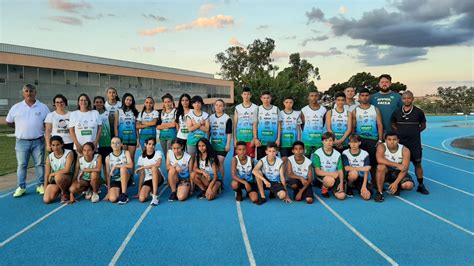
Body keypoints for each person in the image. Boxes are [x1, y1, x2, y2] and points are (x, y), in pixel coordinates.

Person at [7, 84, 50, 197]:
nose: (29, 93)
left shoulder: (43, 107)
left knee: (39, 164)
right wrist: (20, 127)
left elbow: (47, 124)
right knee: (22, 165)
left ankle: (40, 185)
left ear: (35, 93)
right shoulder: (16, 107)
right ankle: (21, 187)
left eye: (31, 91)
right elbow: (8, 121)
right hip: (22, 142)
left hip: (38, 140)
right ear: (23, 93)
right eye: (26, 91)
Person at [391, 90, 429, 194]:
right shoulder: (397, 112)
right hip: (401, 144)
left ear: (412, 99)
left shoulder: (419, 112)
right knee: (399, 164)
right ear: (402, 99)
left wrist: (415, 132)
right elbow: (393, 123)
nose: (406, 100)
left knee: (417, 164)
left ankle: (421, 185)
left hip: (414, 144)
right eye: (404, 98)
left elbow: (423, 125)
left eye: (409, 98)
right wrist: (398, 132)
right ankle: (398, 184)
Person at [352, 88, 383, 181]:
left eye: (366, 95)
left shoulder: (375, 109)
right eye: (362, 95)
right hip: (360, 139)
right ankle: (358, 182)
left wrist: (380, 139)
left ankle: (375, 182)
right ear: (359, 97)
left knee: (373, 163)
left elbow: (379, 124)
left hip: (372, 139)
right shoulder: (355, 110)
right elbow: (353, 127)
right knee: (360, 161)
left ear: (369, 96)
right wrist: (354, 140)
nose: (364, 97)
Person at [374, 132, 415, 202]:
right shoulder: (381, 146)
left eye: (394, 139)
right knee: (380, 167)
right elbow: (379, 159)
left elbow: (404, 169)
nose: (392, 142)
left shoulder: (405, 150)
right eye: (389, 139)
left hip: (398, 172)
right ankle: (379, 192)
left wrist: (396, 183)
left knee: (409, 185)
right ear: (385, 140)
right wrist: (397, 165)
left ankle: (397, 185)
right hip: (387, 171)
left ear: (398, 140)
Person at [312, 132, 346, 200]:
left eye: (330, 140)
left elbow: (340, 170)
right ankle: (325, 188)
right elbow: (318, 172)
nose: (328, 142)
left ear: (333, 142)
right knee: (330, 180)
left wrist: (341, 183)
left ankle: (333, 188)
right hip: (323, 176)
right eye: (326, 140)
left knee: (341, 196)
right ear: (322, 142)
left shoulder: (337, 154)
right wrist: (332, 174)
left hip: (335, 176)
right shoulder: (317, 153)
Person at [43, 136, 74, 204]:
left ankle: (65, 192)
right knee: (47, 200)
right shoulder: (49, 157)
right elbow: (47, 174)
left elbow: (66, 170)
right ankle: (59, 190)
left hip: (68, 178)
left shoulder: (69, 153)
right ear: (50, 146)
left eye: (58, 145)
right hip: (56, 181)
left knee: (58, 176)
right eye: (53, 145)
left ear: (62, 144)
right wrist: (45, 187)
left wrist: (53, 174)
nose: (55, 147)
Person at [342, 134, 372, 200]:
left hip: (362, 177)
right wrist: (362, 168)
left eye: (355, 142)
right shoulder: (345, 153)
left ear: (359, 143)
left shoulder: (365, 153)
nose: (353, 144)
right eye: (351, 142)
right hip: (351, 176)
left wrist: (364, 186)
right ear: (349, 143)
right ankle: (349, 186)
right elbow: (347, 168)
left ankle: (360, 186)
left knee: (367, 197)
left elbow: (366, 171)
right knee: (354, 173)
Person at [136, 137, 164, 206]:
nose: (151, 146)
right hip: (148, 179)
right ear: (145, 144)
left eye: (153, 144)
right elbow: (142, 175)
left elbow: (158, 164)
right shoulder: (141, 158)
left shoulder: (158, 152)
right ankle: (150, 191)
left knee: (154, 168)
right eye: (149, 144)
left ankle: (155, 196)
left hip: (158, 177)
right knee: (141, 199)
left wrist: (143, 167)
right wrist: (139, 191)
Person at [253, 91, 281, 160]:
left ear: (270, 98)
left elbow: (279, 125)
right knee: (261, 162)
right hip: (261, 142)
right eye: (264, 98)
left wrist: (278, 139)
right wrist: (255, 138)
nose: (266, 100)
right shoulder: (258, 109)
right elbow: (254, 125)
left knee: (273, 161)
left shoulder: (276, 109)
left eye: (268, 98)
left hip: (273, 142)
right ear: (261, 99)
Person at [105, 137, 133, 204]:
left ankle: (124, 194)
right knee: (113, 199)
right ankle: (119, 191)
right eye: (113, 143)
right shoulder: (108, 157)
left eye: (117, 143)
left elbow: (130, 165)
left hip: (126, 178)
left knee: (123, 168)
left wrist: (116, 166)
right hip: (116, 180)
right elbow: (108, 175)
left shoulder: (126, 153)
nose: (115, 144)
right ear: (111, 145)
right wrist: (108, 192)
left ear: (121, 144)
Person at [209, 99, 232, 181]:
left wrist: (228, 144)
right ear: (214, 106)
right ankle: (214, 179)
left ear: (223, 107)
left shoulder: (227, 118)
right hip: (213, 145)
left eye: (220, 105)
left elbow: (229, 133)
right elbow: (209, 132)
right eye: (216, 105)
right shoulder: (211, 118)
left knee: (220, 162)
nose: (218, 107)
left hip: (223, 145)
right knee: (214, 163)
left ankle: (220, 182)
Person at [233, 87, 258, 158]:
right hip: (240, 139)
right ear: (242, 95)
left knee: (251, 160)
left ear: (250, 95)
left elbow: (256, 124)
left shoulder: (255, 107)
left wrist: (254, 138)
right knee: (238, 159)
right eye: (245, 94)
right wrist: (235, 139)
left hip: (250, 138)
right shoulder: (237, 108)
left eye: (248, 94)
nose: (246, 96)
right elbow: (235, 125)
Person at [301, 90, 326, 158]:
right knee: (305, 160)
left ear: (318, 97)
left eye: (316, 96)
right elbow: (302, 124)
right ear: (308, 97)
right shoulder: (304, 110)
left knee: (318, 160)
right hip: (307, 140)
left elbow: (323, 123)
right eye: (312, 96)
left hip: (319, 140)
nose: (314, 97)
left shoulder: (323, 109)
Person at [115, 93, 138, 165]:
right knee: (123, 158)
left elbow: (136, 127)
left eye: (130, 100)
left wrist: (138, 139)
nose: (128, 101)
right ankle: (124, 175)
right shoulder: (118, 111)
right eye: (127, 99)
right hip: (122, 139)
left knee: (131, 158)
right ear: (124, 100)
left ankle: (131, 176)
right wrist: (117, 139)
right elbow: (116, 126)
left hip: (132, 138)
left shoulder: (135, 112)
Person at [279, 96, 302, 162]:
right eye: (287, 102)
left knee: (293, 161)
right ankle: (284, 172)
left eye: (290, 102)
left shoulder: (296, 114)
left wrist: (299, 142)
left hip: (293, 142)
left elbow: (298, 129)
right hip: (283, 142)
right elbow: (278, 128)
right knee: (284, 160)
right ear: (283, 103)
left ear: (293, 103)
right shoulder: (280, 113)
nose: (289, 104)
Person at [94, 96, 112, 172]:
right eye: (97, 102)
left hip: (106, 142)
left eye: (100, 102)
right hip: (95, 143)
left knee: (106, 163)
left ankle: (107, 180)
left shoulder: (108, 114)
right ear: (94, 103)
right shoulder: (92, 114)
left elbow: (112, 127)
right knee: (96, 164)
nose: (99, 104)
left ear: (104, 103)